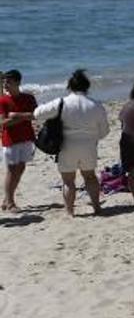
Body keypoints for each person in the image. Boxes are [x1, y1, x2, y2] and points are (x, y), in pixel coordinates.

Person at [33, 69, 109, 217]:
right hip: (88, 146)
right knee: (90, 177)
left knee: (68, 181)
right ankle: (97, 207)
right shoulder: (96, 105)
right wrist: (93, 137)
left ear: (70, 87)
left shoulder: (62, 102)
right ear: (87, 87)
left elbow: (37, 114)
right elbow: (105, 131)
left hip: (67, 145)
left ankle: (70, 211)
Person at [0, 69, 37, 211]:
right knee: (11, 170)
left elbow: (35, 115)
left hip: (27, 137)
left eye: (8, 81)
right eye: (3, 81)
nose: (5, 84)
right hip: (10, 140)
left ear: (17, 82)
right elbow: (3, 123)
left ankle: (7, 198)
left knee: (21, 168)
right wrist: (22, 117)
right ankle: (10, 203)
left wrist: (16, 116)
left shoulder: (29, 98)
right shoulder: (3, 100)